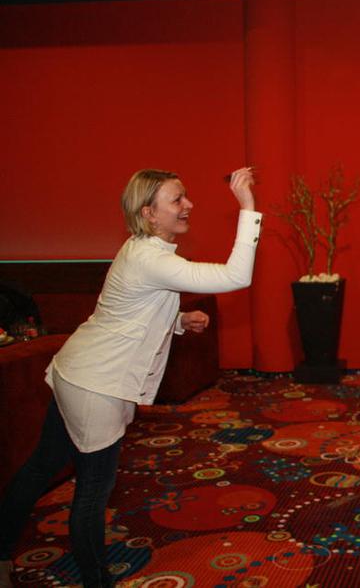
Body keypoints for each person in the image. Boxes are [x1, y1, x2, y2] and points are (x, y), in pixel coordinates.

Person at [0, 167, 261, 588]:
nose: (188, 205)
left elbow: (126, 311)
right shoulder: (151, 258)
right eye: (177, 200)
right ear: (148, 213)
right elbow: (237, 276)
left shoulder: (141, 249)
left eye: (185, 196)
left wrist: (178, 321)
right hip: (94, 384)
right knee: (92, 492)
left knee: (40, 468)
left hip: (77, 371)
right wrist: (247, 206)